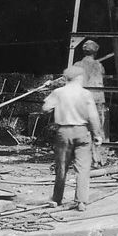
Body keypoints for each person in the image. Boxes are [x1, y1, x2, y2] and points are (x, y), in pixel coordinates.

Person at [42, 65, 104, 212]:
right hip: (82, 132)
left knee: (61, 167)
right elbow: (93, 116)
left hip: (63, 133)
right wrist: (97, 135)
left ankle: (57, 199)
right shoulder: (85, 94)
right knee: (83, 168)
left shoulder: (59, 92)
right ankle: (81, 202)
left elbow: (45, 108)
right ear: (79, 78)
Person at [75, 39, 108, 164]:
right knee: (97, 129)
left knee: (82, 128)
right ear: (95, 52)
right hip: (97, 100)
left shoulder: (77, 65)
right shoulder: (99, 65)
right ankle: (97, 158)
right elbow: (103, 75)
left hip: (81, 100)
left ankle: (82, 157)